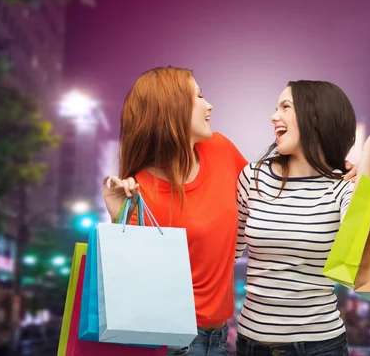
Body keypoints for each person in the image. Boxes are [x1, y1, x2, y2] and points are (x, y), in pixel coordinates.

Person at [103, 67, 356, 356]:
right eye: (198, 96)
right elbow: (130, 276)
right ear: (171, 109)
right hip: (174, 338)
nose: (209, 104)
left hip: (223, 338)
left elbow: (270, 199)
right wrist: (116, 218)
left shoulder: (220, 150)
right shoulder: (140, 190)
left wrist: (337, 168)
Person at [234, 80, 370, 356]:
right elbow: (230, 251)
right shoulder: (253, 177)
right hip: (250, 344)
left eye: (285, 107)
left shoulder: (340, 186)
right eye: (276, 108)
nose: (274, 116)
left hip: (319, 346)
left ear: (315, 117)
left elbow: (360, 238)